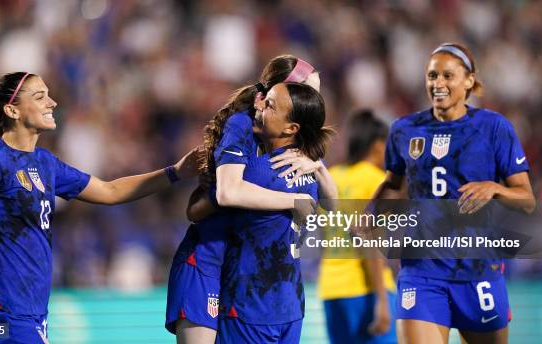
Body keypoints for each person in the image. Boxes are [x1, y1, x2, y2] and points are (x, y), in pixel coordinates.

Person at [0, 72, 202, 343]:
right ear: (12, 110)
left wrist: (175, 172)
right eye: (40, 97)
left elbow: (110, 191)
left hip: (33, 312)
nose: (52, 103)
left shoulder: (45, 163)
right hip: (1, 312)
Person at [165, 55, 337, 344]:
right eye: (308, 92)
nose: (314, 102)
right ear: (278, 93)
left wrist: (319, 167)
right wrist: (291, 201)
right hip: (207, 261)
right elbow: (219, 197)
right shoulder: (244, 126)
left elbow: (333, 207)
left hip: (249, 275)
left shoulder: (295, 143)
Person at [373, 43, 535, 343]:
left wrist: (495, 188)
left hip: (477, 268)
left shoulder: (494, 127)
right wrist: (371, 214)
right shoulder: (404, 129)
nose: (438, 83)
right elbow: (393, 185)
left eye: (448, 75)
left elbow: (526, 199)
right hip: (421, 270)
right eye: (432, 75)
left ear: (469, 80)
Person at [216, 82, 332, 343]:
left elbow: (219, 196)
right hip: (290, 305)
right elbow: (335, 206)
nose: (260, 107)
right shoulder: (308, 171)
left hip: (249, 305)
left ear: (292, 128)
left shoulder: (256, 172)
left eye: (270, 105)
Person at [318, 110, 397, 344]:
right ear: (377, 146)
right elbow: (371, 243)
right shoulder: (375, 180)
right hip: (366, 289)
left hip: (331, 288)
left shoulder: (331, 177)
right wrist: (382, 300)